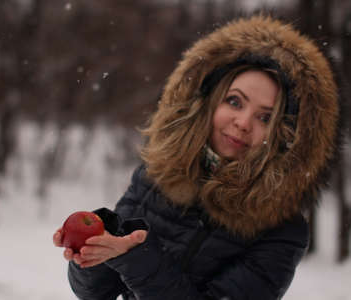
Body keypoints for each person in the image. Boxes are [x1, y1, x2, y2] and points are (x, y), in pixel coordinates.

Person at [53, 15, 340, 300]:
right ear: (209, 102)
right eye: (234, 101)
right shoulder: (158, 175)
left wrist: (135, 258)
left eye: (265, 117)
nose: (243, 122)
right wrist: (96, 248)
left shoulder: (281, 229)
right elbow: (96, 292)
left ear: (286, 135)